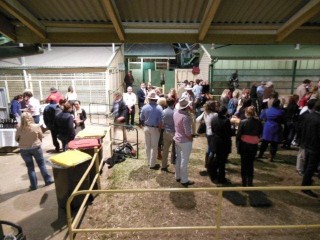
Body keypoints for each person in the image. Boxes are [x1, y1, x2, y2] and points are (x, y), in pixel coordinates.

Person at [15, 112, 54, 191]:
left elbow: (16, 139)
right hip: (36, 147)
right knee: (41, 164)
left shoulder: (19, 128)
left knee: (30, 168)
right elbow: (41, 136)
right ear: (31, 118)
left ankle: (33, 185)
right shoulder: (36, 126)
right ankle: (48, 180)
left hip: (24, 149)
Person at [236, 106, 263, 186]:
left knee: (244, 164)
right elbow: (259, 133)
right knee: (251, 163)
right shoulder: (258, 122)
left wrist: (237, 145)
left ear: (246, 113)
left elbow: (238, 135)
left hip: (244, 145)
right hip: (253, 145)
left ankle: (244, 182)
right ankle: (250, 182)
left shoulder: (243, 122)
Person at [299, 99, 320, 198]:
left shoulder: (307, 116)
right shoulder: (318, 119)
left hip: (307, 143)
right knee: (311, 167)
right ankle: (305, 186)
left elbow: (301, 128)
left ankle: (306, 180)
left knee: (308, 165)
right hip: (315, 146)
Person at [173, 96, 195, 187]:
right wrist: (191, 138)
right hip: (185, 141)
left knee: (178, 158)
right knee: (184, 160)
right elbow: (188, 132)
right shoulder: (185, 117)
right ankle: (184, 179)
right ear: (187, 107)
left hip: (177, 138)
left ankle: (178, 176)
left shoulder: (176, 113)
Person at [209, 106, 232, 184]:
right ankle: (221, 178)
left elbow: (212, 129)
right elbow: (229, 133)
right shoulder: (226, 121)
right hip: (223, 142)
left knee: (216, 159)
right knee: (222, 161)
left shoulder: (214, 119)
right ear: (225, 112)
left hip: (215, 140)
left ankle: (213, 175)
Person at [140, 91, 163, 169]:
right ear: (155, 99)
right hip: (155, 128)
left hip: (146, 127)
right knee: (154, 146)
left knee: (147, 145)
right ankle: (152, 164)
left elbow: (141, 118)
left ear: (149, 99)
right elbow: (161, 121)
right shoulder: (159, 108)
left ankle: (149, 161)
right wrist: (159, 129)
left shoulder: (144, 107)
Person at [196, 100, 219, 170]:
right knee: (212, 150)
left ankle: (206, 163)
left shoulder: (205, 113)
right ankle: (209, 165)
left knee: (209, 148)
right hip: (213, 134)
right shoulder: (215, 115)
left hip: (207, 133)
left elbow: (197, 120)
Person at [161, 97, 176, 170]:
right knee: (175, 150)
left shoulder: (164, 111)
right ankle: (175, 163)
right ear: (174, 103)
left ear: (166, 103)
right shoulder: (176, 111)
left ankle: (164, 165)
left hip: (166, 131)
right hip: (175, 132)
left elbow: (162, 123)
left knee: (165, 149)